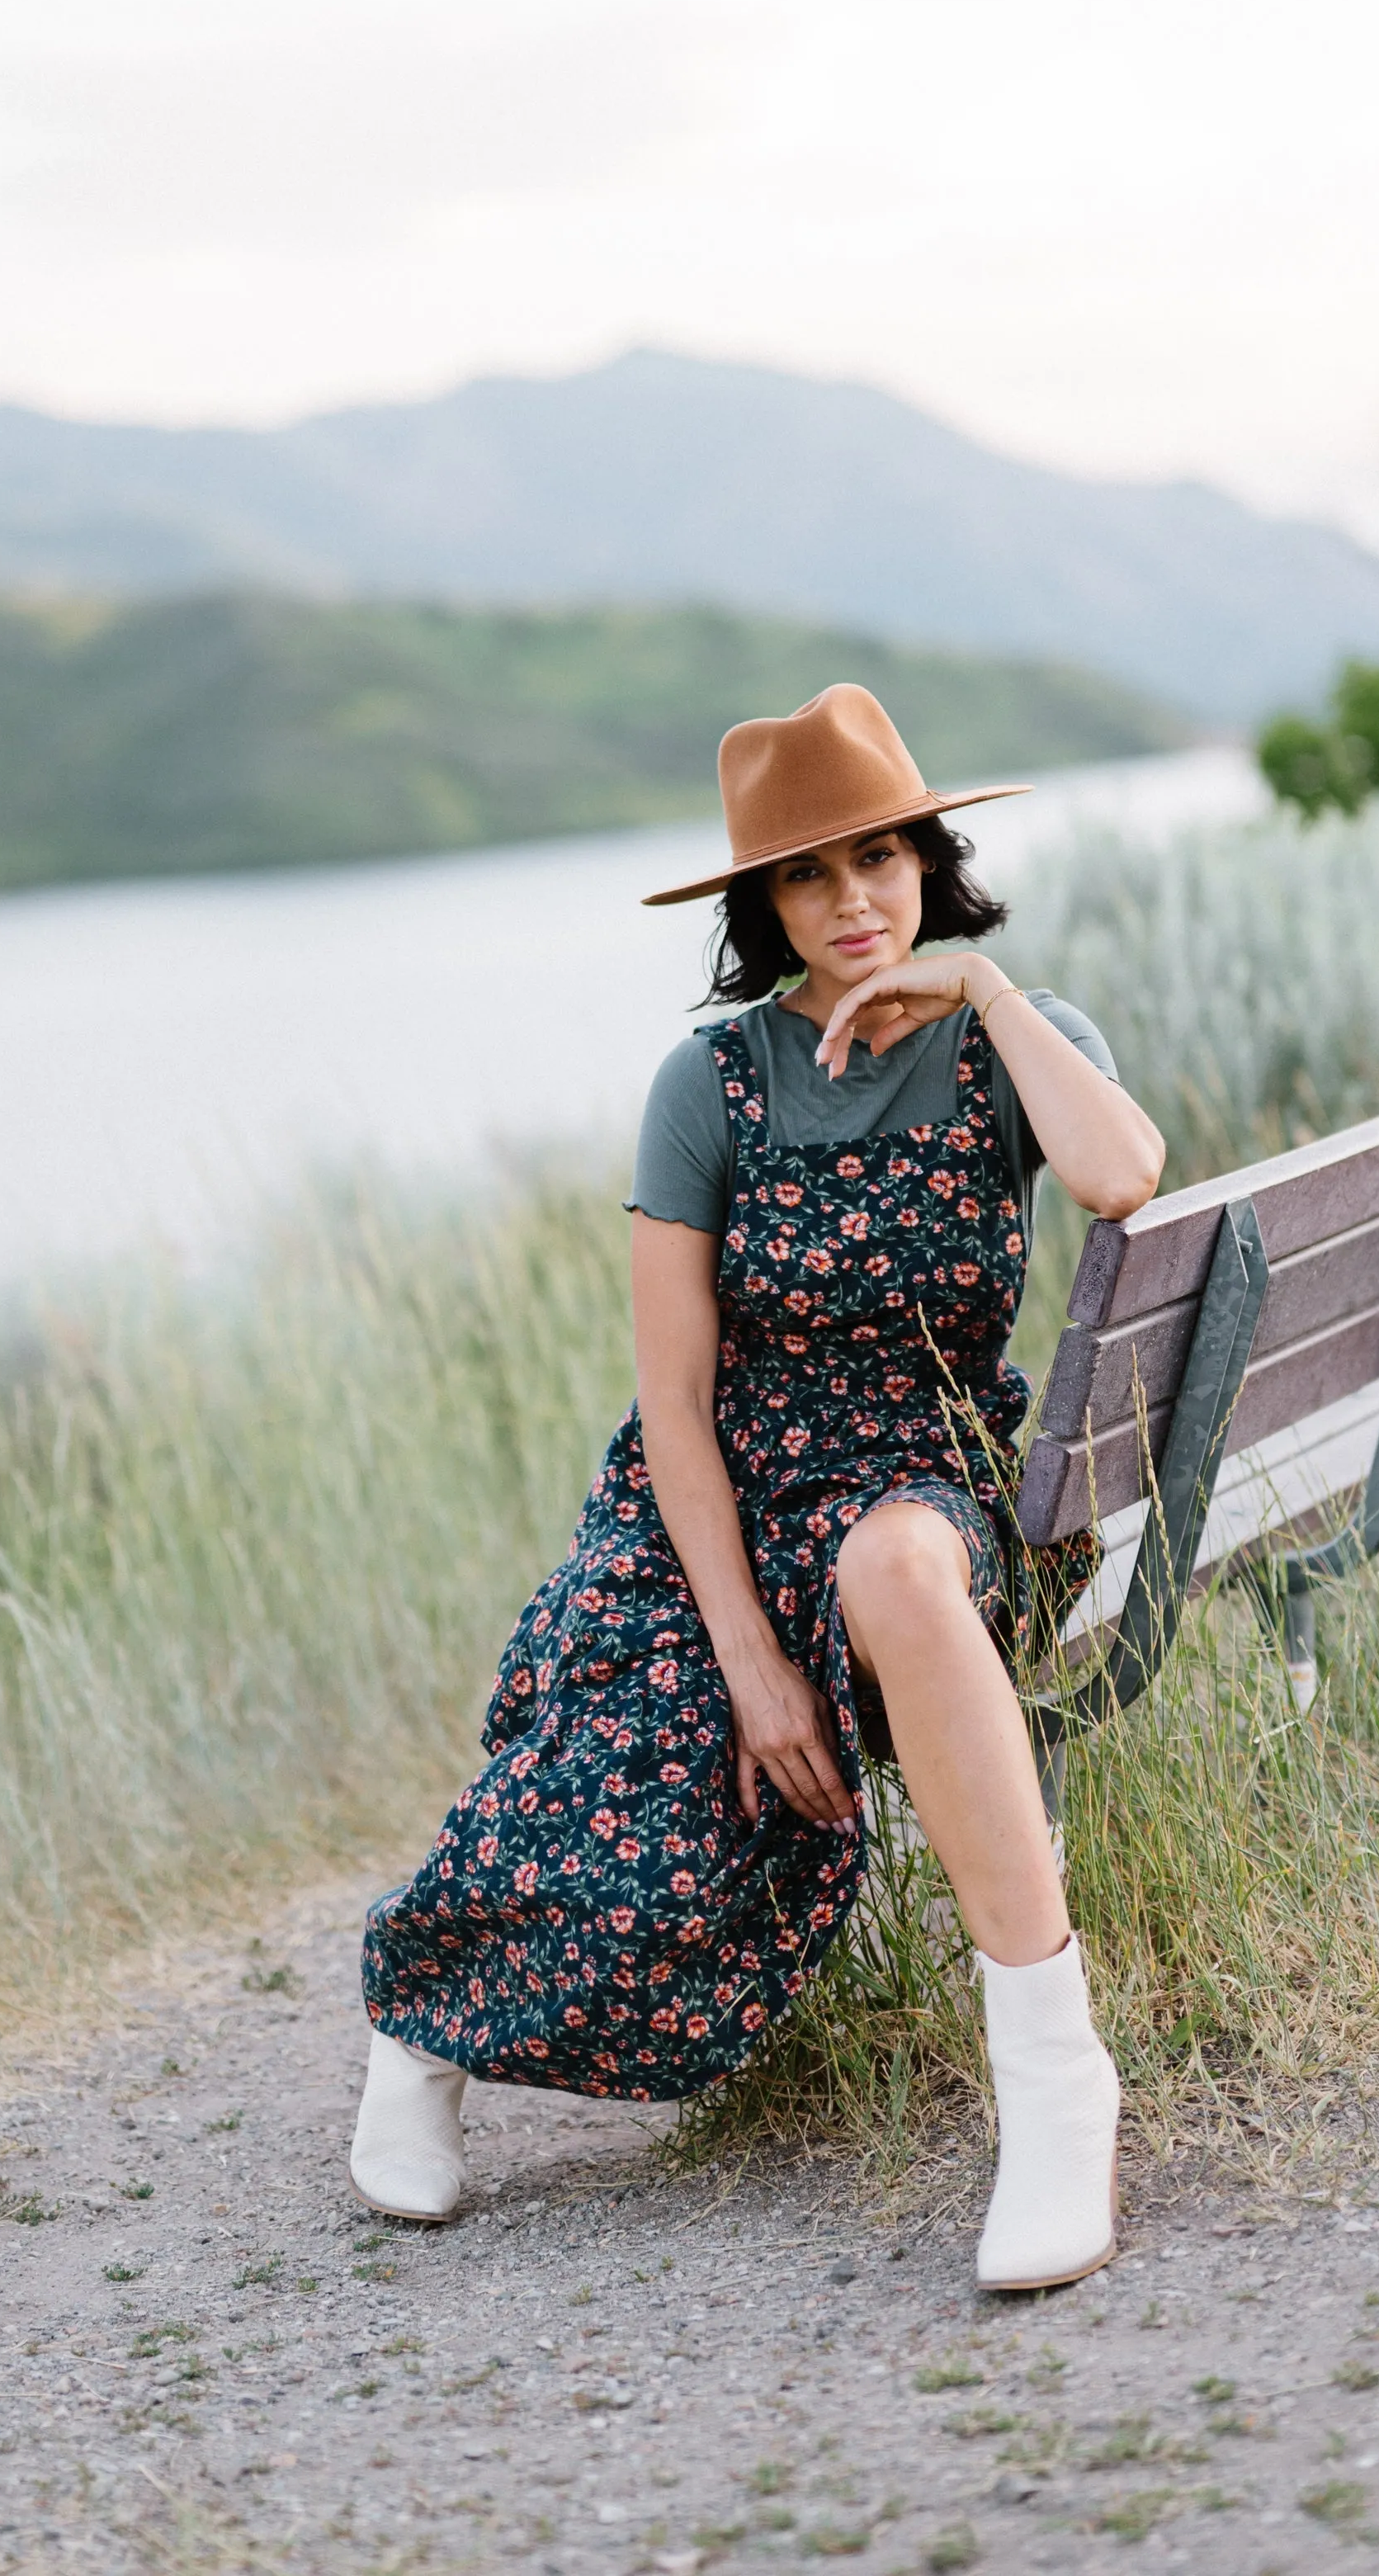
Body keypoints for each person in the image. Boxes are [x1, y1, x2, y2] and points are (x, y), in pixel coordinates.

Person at [352, 684, 1164, 2290]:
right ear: (763, 903)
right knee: (620, 1804)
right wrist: (742, 1651)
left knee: (906, 1577)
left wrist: (988, 990)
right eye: (810, 873)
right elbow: (671, 1397)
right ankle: (421, 2032)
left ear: (930, 859)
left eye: (880, 858)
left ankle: (1057, 2083)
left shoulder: (1014, 1034)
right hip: (713, 1497)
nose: (854, 899)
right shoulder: (712, 1084)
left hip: (920, 1462)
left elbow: (1122, 1174)